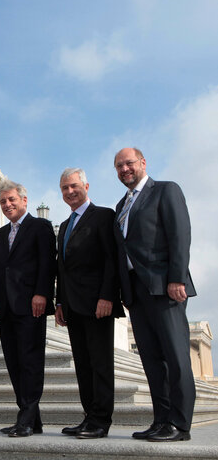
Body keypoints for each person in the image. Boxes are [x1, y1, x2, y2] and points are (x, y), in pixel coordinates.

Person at [113, 147, 196, 442]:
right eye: (119, 166)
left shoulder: (165, 190)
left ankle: (180, 424)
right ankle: (161, 420)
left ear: (143, 163)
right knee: (151, 360)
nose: (124, 169)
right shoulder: (121, 205)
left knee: (175, 357)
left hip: (164, 286)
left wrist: (176, 278)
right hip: (136, 292)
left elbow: (180, 234)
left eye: (129, 163)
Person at [55, 168, 123, 439]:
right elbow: (61, 267)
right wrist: (60, 301)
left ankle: (101, 419)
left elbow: (111, 259)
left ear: (86, 185)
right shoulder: (64, 225)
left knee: (100, 363)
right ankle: (89, 416)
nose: (69, 192)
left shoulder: (104, 216)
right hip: (72, 305)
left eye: (73, 186)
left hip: (97, 302)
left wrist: (107, 296)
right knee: (82, 364)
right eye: (64, 189)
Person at [0, 180, 56, 438]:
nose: (7, 205)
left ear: (24, 201)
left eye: (11, 200)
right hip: (6, 307)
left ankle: (25, 419)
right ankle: (32, 419)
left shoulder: (40, 226)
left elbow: (47, 262)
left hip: (31, 305)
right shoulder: (0, 234)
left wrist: (42, 293)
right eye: (3, 201)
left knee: (30, 362)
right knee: (14, 363)